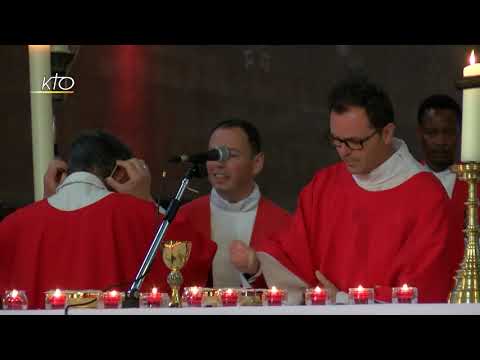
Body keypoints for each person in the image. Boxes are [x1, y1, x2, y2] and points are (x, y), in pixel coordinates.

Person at [238, 78, 462, 304]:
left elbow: (426, 289)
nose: (343, 152)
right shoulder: (323, 185)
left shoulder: (427, 197)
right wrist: (257, 266)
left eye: (354, 142)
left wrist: (345, 301)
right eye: (336, 140)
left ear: (386, 133)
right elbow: (293, 257)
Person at [0, 130, 169, 309]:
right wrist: (147, 204)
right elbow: (181, 258)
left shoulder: (13, 225)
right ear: (120, 173)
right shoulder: (142, 216)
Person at [173, 119, 291, 289]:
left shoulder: (284, 223)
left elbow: (293, 292)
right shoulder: (184, 217)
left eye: (231, 155)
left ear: (256, 163)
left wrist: (256, 270)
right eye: (214, 154)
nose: (219, 164)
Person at [416, 94, 476, 263]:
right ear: (420, 133)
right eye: (432, 133)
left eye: (449, 132)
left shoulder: (474, 182)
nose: (441, 141)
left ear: (460, 133)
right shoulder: (406, 179)